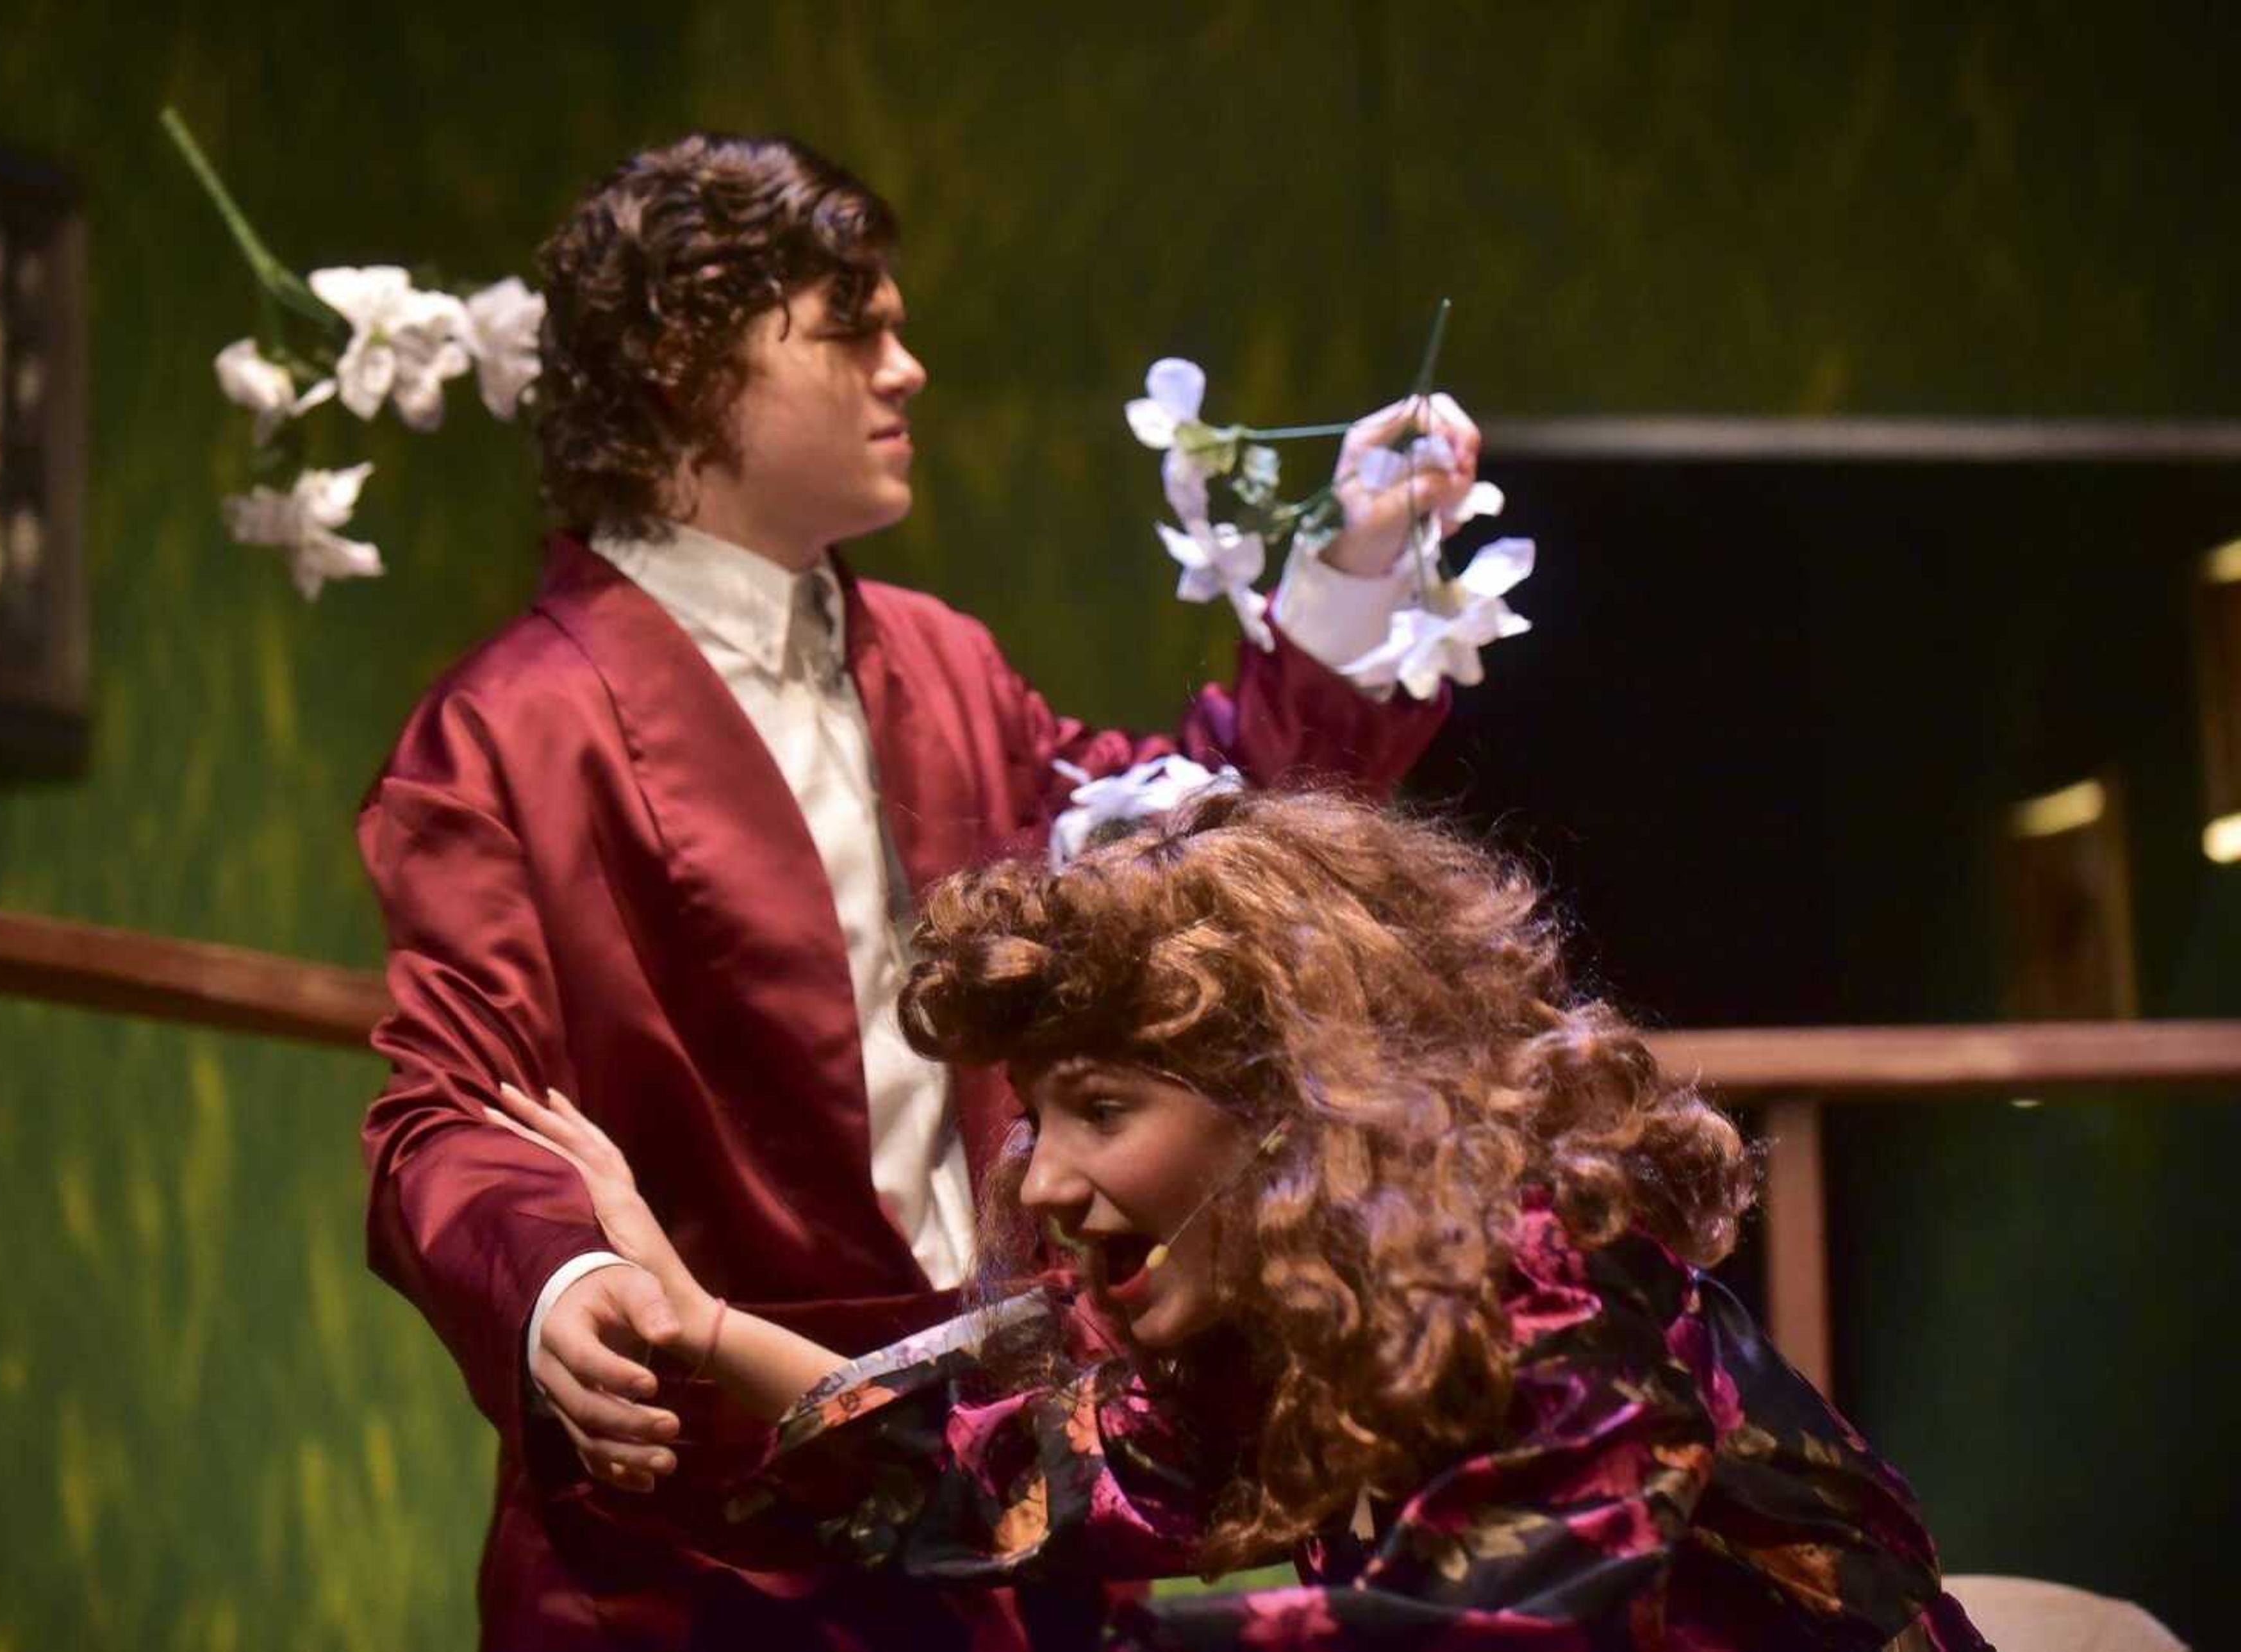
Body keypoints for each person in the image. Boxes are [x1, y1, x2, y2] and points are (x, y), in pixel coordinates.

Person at [358, 133, 1480, 1648]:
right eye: (852, 327)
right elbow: (452, 1103)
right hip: (709, 1534)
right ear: (691, 364)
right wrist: (556, 1275)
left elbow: (1198, 841)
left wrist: (1348, 572)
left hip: (1003, 1472)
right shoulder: (513, 725)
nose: (909, 368)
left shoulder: (945, 664)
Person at [486, 788, 1991, 1651]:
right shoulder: (1270, 1315)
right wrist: (700, 1326)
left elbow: (1486, 1629)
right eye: (1038, 1114)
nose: (1047, 1180)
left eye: (1102, 1108)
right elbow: (995, 1482)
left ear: (1293, 1105)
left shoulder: (1545, 1275)